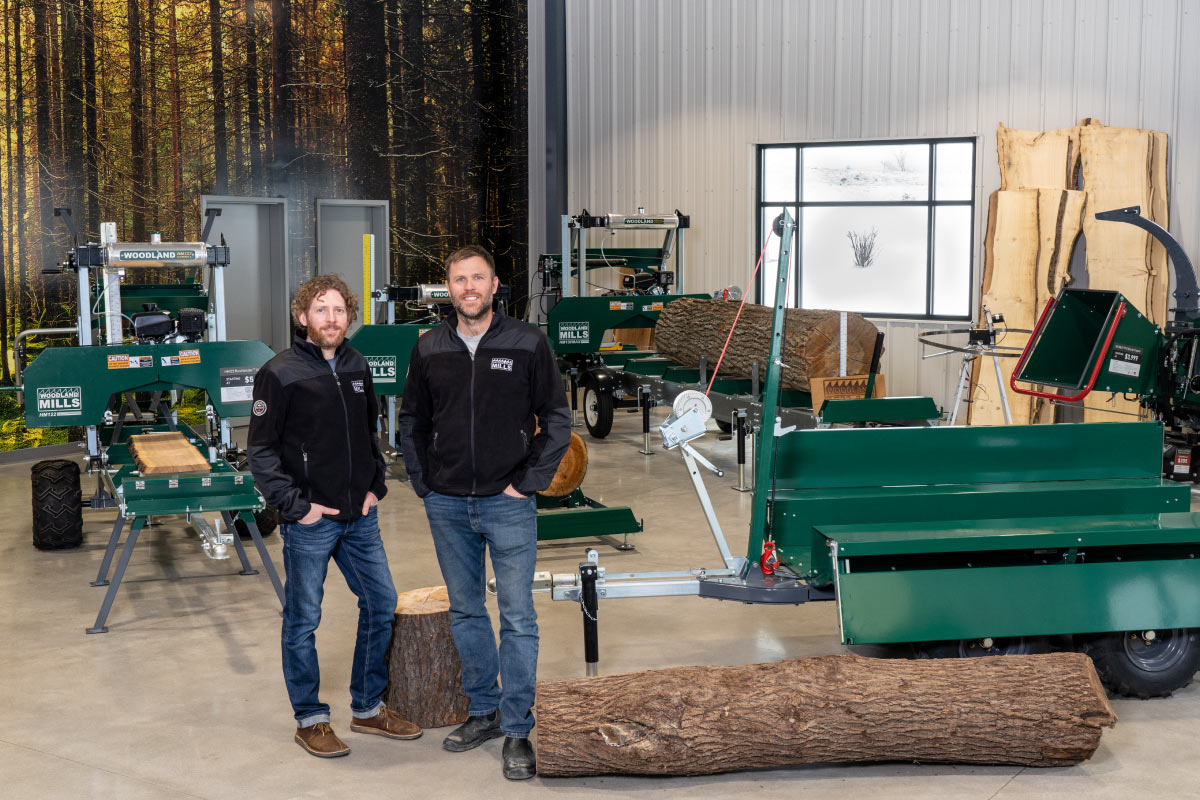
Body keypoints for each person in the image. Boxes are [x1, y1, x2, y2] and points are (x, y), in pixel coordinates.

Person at [397, 245, 570, 780]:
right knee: (468, 613)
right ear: (447, 289)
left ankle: (518, 729)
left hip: (507, 503)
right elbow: (412, 422)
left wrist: (528, 483)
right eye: (458, 279)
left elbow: (557, 419)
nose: (468, 287)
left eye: (478, 278)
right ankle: (484, 711)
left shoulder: (526, 341)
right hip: (447, 503)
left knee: (518, 618)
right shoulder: (429, 347)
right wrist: (424, 481)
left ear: (495, 285)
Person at [248, 273, 421, 758]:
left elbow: (371, 434)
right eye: (321, 309)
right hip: (312, 521)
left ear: (349, 317)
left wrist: (376, 486)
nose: (331, 318)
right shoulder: (279, 373)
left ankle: (367, 708)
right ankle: (310, 718)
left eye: (339, 310)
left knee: (381, 604)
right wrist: (297, 508)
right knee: (303, 619)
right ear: (302, 316)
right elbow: (260, 452)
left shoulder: (356, 364)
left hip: (359, 517)